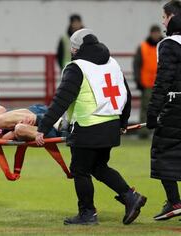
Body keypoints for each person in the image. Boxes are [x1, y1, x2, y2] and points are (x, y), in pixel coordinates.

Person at [35, 29, 147, 225]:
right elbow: (126, 94)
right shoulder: (112, 63)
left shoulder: (76, 67)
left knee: (80, 170)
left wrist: (42, 128)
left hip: (88, 126)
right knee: (99, 167)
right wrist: (122, 122)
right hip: (111, 126)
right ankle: (130, 196)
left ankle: (87, 213)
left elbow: (61, 100)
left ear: (76, 49)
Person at [146, 0, 181, 221]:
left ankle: (174, 201)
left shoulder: (169, 44)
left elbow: (163, 81)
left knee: (162, 151)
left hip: (176, 107)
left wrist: (153, 112)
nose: (162, 21)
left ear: (173, 17)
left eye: (164, 16)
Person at [133, 25, 163, 139]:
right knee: (146, 109)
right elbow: (137, 65)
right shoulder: (143, 47)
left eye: (157, 33)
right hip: (147, 85)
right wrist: (138, 81)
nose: (156, 35)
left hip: (162, 83)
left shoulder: (165, 45)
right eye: (154, 33)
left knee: (164, 109)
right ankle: (143, 133)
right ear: (150, 33)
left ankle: (161, 132)